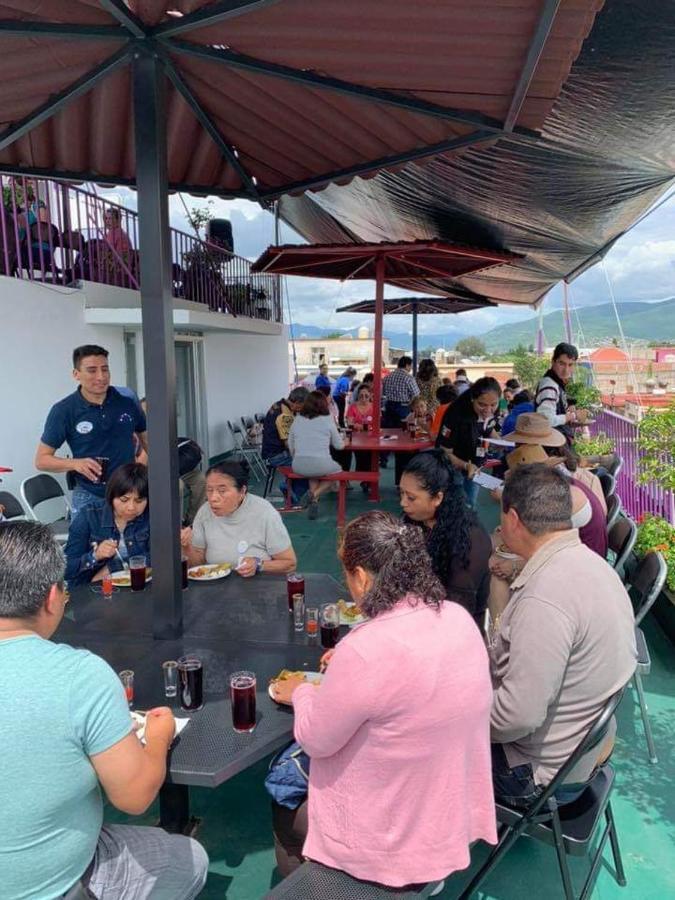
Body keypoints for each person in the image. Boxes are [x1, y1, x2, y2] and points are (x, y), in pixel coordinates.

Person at [271, 511, 496, 885]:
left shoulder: (365, 649)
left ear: (360, 576)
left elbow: (316, 739)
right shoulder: (458, 618)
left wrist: (304, 693)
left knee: (282, 791)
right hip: (445, 810)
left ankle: (322, 889)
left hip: (387, 837)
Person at [0, 522, 209, 899]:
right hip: (52, 886)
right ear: (52, 597)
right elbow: (134, 798)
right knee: (189, 858)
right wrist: (159, 736)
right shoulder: (79, 675)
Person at [489, 465, 636, 805]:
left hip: (534, 775)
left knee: (418, 732)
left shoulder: (545, 596)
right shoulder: (592, 565)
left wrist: (454, 719)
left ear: (512, 519)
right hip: (580, 751)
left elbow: (516, 717)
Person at [35, 345, 147, 517]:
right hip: (89, 495)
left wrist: (145, 473)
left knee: (134, 544)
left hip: (129, 496)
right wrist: (76, 464)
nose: (101, 377)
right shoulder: (64, 410)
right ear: (76, 374)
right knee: (87, 544)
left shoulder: (127, 403)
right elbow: (42, 460)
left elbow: (149, 442)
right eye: (92, 370)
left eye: (105, 369)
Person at [400, 451, 491, 627]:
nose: (403, 503)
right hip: (418, 615)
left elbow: (457, 613)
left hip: (454, 630)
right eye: (401, 494)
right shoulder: (416, 522)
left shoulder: (470, 539)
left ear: (438, 497)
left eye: (411, 497)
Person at [182, 460, 296, 575]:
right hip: (215, 586)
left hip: (256, 586)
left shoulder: (264, 512)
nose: (213, 498)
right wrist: (187, 547)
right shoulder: (205, 512)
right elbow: (197, 565)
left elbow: (289, 563)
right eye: (209, 490)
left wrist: (259, 565)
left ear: (242, 491)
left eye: (222, 491)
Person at [64, 463, 151, 586]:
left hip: (141, 587)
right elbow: (66, 569)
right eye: (124, 500)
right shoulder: (89, 516)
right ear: (112, 496)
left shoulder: (152, 515)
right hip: (93, 592)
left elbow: (163, 556)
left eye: (139, 501)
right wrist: (95, 556)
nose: (131, 507)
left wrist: (113, 567)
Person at [435, 376, 502, 507]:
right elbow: (445, 452)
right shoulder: (455, 414)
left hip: (476, 463)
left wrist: (500, 442)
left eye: (493, 405)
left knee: (470, 503)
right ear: (472, 399)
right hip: (453, 463)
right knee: (455, 504)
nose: (488, 410)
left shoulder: (493, 407)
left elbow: (488, 427)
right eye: (482, 404)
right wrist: (466, 466)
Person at [288, 391, 345, 520]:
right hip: (321, 464)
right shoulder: (327, 419)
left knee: (312, 475)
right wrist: (345, 441)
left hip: (298, 465)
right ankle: (314, 494)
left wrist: (297, 457)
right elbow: (339, 446)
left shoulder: (298, 418)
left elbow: (291, 445)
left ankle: (314, 502)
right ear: (324, 404)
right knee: (337, 473)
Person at [261, 386, 309, 505]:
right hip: (276, 455)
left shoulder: (278, 404)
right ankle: (290, 491)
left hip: (271, 451)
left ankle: (291, 490)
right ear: (297, 403)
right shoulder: (284, 415)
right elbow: (289, 444)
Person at [535, 341, 579, 441]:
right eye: (562, 364)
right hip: (550, 445)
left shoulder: (557, 383)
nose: (566, 370)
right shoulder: (550, 385)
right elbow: (546, 420)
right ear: (553, 362)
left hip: (555, 441)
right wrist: (572, 416)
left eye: (570, 365)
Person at [382, 356, 419, 427]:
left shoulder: (387, 377)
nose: (411, 368)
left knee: (390, 429)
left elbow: (384, 393)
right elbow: (416, 394)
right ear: (407, 365)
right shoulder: (409, 378)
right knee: (403, 428)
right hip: (403, 407)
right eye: (410, 366)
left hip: (389, 405)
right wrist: (410, 403)